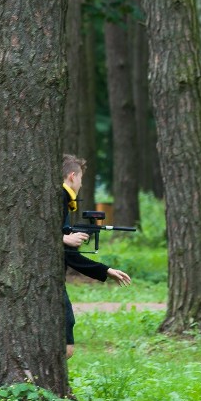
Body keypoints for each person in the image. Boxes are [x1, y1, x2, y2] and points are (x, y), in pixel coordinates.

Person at [62, 154, 131, 359]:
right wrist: (63, 239)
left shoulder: (62, 201)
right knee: (66, 347)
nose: (81, 185)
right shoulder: (59, 198)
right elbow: (34, 232)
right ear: (72, 176)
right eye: (81, 179)